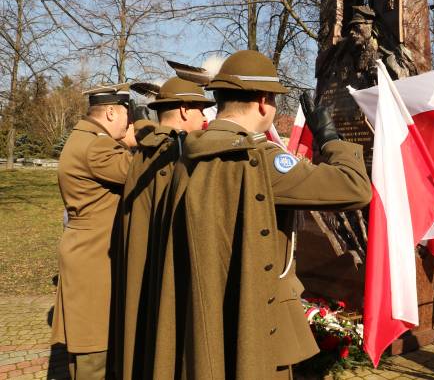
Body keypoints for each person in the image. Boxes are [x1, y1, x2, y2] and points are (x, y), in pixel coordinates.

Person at [158, 50, 372, 379]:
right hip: (259, 323)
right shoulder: (262, 161)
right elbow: (355, 187)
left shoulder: (188, 151)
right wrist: (330, 138)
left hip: (204, 311)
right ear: (263, 102)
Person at [115, 77, 214, 380]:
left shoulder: (146, 150)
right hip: (165, 281)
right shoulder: (173, 154)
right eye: (201, 110)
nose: (204, 118)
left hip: (142, 274)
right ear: (184, 110)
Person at [52, 83, 133, 380]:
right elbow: (138, 171)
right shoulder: (97, 145)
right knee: (94, 353)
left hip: (84, 251)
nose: (129, 122)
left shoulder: (85, 138)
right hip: (94, 258)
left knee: (88, 349)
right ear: (111, 111)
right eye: (128, 114)